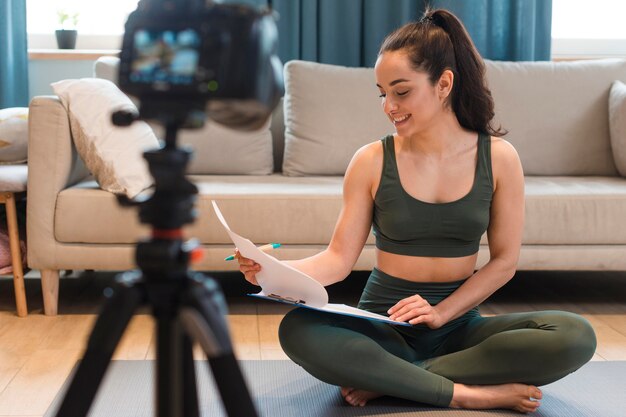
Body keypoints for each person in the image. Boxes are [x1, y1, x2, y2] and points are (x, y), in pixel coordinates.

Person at [236, 8, 596, 413]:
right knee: (299, 329)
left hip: (459, 326)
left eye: (401, 91)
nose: (389, 105)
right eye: (382, 93)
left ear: (443, 84)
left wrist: (441, 314)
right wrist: (272, 268)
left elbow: (504, 262)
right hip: (380, 327)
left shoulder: (500, 159)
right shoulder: (370, 160)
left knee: (574, 334)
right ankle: (465, 393)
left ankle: (394, 378)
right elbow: (337, 260)